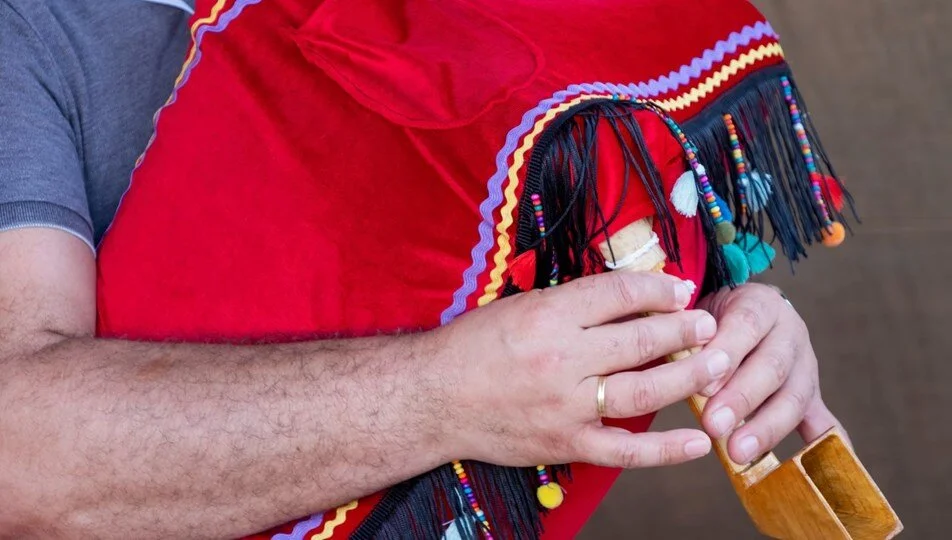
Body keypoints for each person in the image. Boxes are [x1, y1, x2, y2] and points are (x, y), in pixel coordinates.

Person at [0, 0, 845, 538]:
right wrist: (445, 395)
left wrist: (717, 316)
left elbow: (530, 221)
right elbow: (21, 453)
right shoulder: (33, 33)